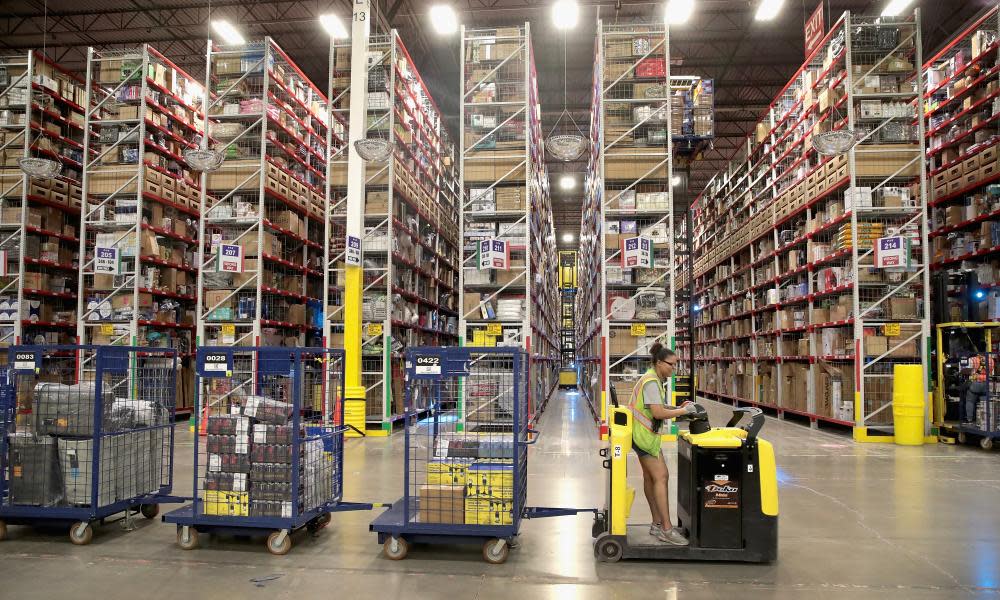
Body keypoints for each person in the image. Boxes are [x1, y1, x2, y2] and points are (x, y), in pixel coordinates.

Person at [628, 343, 698, 545]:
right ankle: (666, 529)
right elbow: (657, 413)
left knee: (651, 479)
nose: (674, 369)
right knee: (662, 477)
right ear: (659, 363)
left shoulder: (653, 379)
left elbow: (655, 407)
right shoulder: (651, 381)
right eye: (672, 365)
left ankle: (657, 524)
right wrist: (684, 412)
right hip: (645, 437)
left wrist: (677, 407)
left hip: (643, 435)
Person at [964, 353, 991, 425]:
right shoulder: (991, 360)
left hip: (975, 384)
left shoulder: (972, 360)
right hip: (987, 384)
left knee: (970, 401)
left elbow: (966, 371)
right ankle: (986, 420)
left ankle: (969, 419)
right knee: (985, 402)